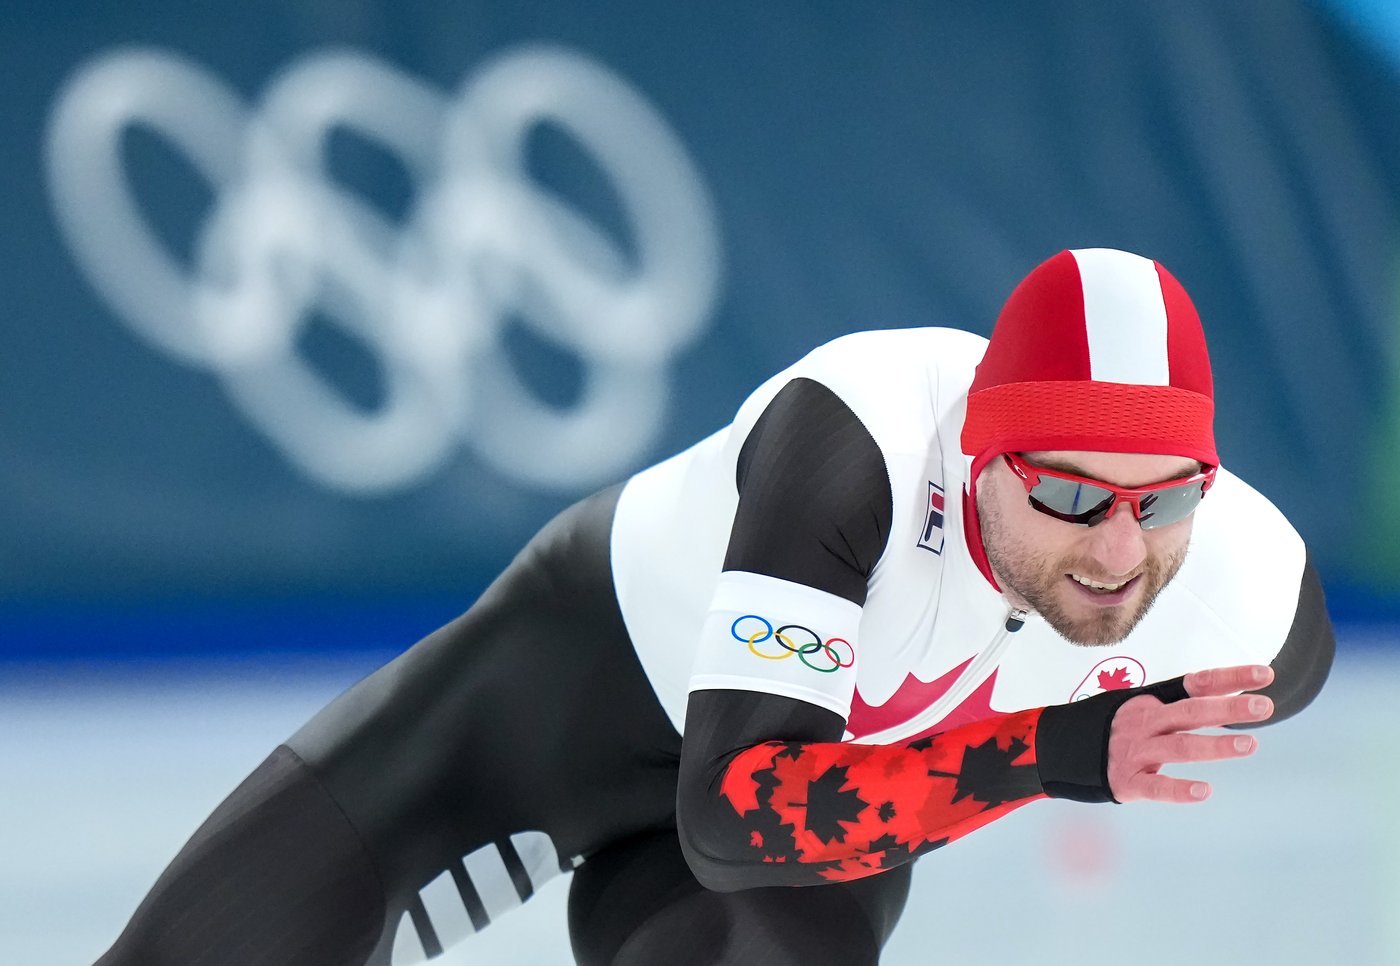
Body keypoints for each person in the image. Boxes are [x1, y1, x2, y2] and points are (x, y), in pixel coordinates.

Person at [96, 248, 1334, 966]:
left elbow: (738, 865)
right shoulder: (855, 434)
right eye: (1066, 492)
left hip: (813, 837)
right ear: (978, 456)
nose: (1118, 547)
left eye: (1162, 497)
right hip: (566, 699)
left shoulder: (1247, 592)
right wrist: (1053, 755)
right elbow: (734, 810)